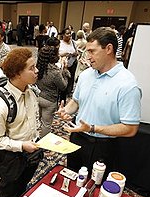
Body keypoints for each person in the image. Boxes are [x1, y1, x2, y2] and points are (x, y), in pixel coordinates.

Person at [56, 27, 142, 180]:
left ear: (109, 48)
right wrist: (66, 111)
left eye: (92, 51)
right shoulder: (86, 74)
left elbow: (130, 128)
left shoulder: (127, 85)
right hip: (77, 137)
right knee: (72, 177)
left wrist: (93, 128)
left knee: (93, 187)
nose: (87, 57)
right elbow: (76, 101)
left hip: (103, 146)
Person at [0, 48, 42, 197]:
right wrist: (22, 146)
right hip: (11, 158)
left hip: (32, 152)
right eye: (31, 68)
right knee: (9, 192)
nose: (36, 71)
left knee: (23, 185)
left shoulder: (30, 91)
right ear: (17, 73)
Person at [36, 45, 70, 138]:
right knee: (46, 124)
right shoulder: (55, 72)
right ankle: (44, 143)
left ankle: (34, 138)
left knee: (36, 121)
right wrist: (65, 71)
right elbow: (63, 86)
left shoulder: (38, 67)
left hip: (37, 96)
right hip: (49, 100)